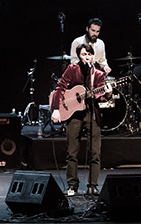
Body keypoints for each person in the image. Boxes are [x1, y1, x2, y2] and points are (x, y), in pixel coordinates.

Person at [51, 43, 112, 196]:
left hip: (92, 114)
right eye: (84, 54)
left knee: (95, 152)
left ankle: (93, 185)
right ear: (79, 55)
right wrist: (56, 109)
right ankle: (72, 186)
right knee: (72, 152)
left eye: (90, 54)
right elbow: (60, 88)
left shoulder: (98, 74)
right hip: (73, 115)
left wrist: (108, 94)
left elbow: (100, 96)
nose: (87, 57)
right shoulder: (73, 69)